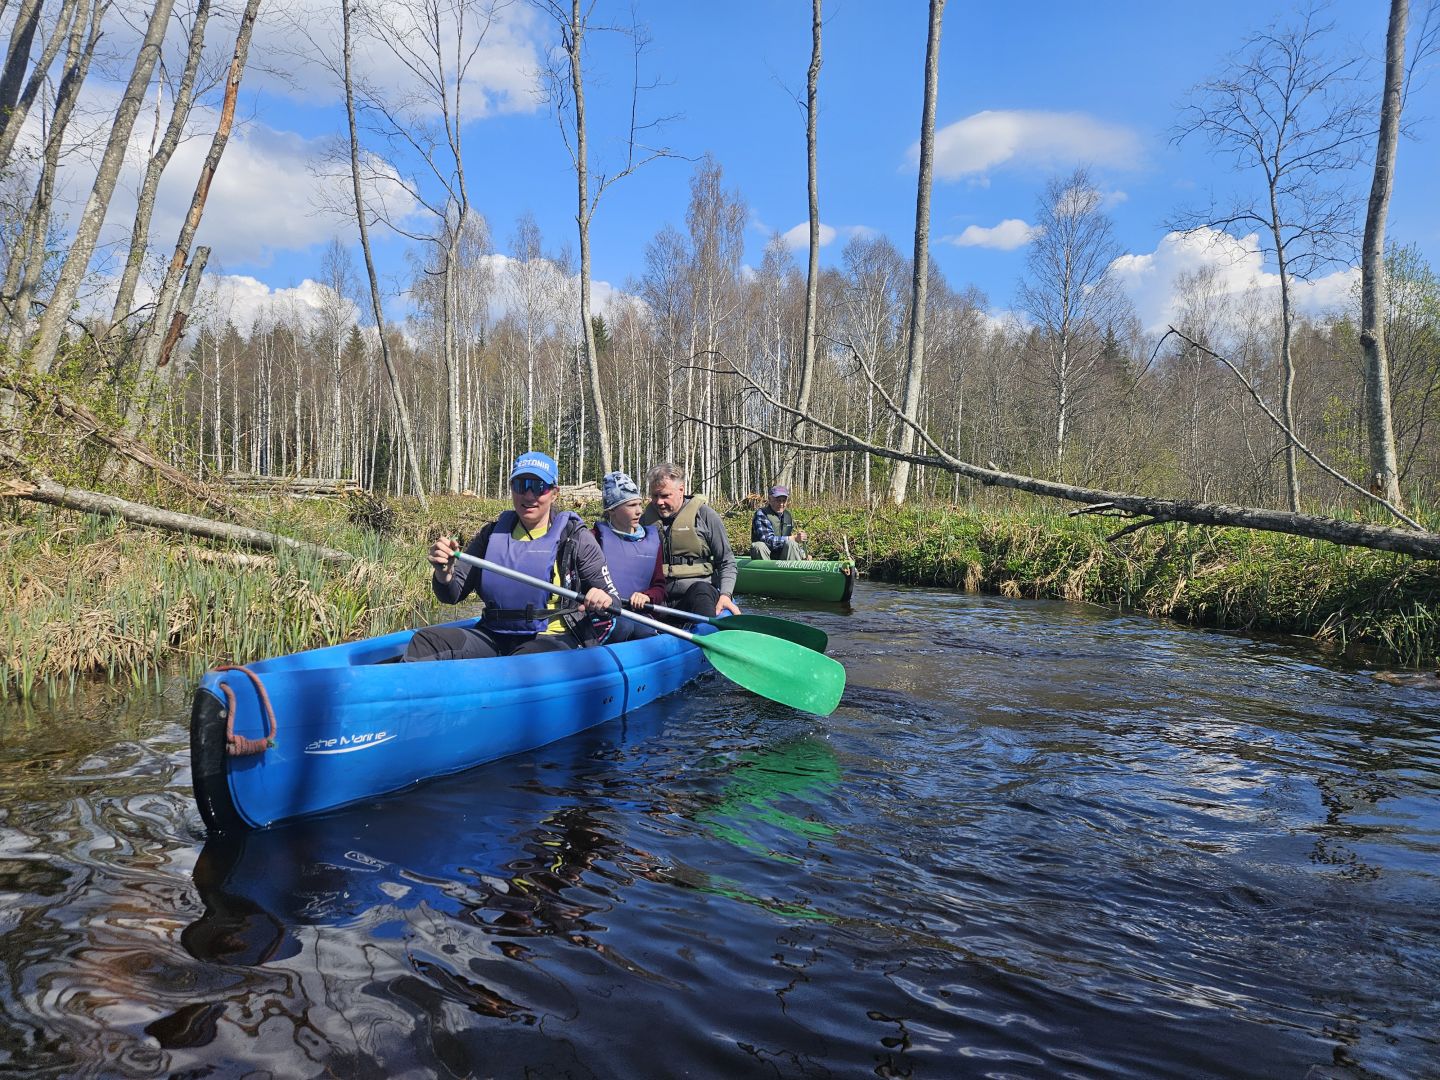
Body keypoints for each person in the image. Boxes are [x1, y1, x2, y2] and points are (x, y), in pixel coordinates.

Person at [403, 451, 619, 661]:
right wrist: (444, 572)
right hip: (495, 635)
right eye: (521, 485)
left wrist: (602, 599)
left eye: (539, 487)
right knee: (426, 641)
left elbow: (614, 602)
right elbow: (451, 595)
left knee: (523, 661)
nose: (528, 495)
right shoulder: (491, 535)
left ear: (554, 493)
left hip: (552, 638)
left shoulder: (575, 538)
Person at [640, 461, 741, 618]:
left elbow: (726, 561)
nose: (659, 502)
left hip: (698, 595)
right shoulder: (644, 520)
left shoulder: (706, 516)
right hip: (660, 597)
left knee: (701, 591)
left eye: (665, 496)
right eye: (655, 496)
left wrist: (726, 595)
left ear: (681, 490)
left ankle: (705, 633)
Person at [590, 470, 667, 643]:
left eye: (640, 504)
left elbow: (660, 587)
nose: (639, 511)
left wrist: (648, 596)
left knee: (642, 629)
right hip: (605, 615)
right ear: (612, 510)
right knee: (625, 626)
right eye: (631, 505)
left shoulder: (653, 541)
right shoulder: (593, 538)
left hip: (641, 614)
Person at [749, 484, 808, 560]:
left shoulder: (788, 515)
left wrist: (803, 554)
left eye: (784, 500)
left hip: (783, 557)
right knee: (758, 546)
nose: (781, 504)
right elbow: (767, 541)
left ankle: (794, 570)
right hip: (765, 556)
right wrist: (793, 538)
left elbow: (792, 542)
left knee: (792, 543)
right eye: (778, 500)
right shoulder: (761, 514)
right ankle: (765, 571)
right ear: (770, 499)